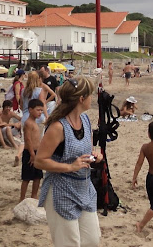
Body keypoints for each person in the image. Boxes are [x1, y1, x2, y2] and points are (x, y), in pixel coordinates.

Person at [35, 77, 102, 247]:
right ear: (81, 98)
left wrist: (95, 155)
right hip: (61, 190)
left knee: (92, 241)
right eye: (90, 95)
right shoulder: (58, 127)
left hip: (84, 188)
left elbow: (86, 150)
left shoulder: (85, 120)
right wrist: (70, 167)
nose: (91, 99)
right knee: (69, 243)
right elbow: (40, 161)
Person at [20, 99, 44, 202]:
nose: (40, 112)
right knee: (26, 177)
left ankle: (34, 195)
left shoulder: (35, 123)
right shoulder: (28, 123)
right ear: (30, 110)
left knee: (37, 176)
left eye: (41, 110)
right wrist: (32, 154)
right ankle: (22, 198)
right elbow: (28, 139)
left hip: (37, 152)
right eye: (38, 110)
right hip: (29, 152)